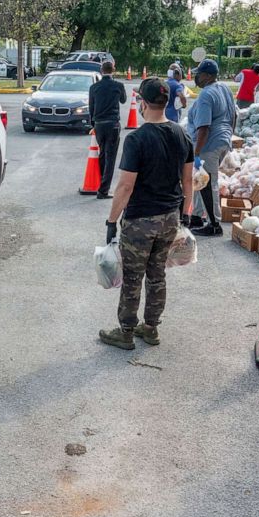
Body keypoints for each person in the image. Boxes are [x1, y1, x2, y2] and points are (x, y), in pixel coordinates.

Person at [99, 78, 194, 350]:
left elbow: (126, 186)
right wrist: (185, 213)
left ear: (142, 103)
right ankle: (151, 328)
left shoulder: (137, 139)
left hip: (140, 221)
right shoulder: (181, 134)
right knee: (157, 274)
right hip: (170, 217)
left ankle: (126, 331)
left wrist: (111, 220)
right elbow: (188, 181)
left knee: (132, 277)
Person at [186, 58, 237, 236]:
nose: (196, 77)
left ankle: (214, 224)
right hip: (222, 141)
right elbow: (234, 116)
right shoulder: (224, 88)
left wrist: (197, 152)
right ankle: (197, 217)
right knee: (200, 180)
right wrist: (229, 136)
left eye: (198, 74)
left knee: (208, 184)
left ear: (207, 76)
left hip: (208, 144)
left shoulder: (206, 95)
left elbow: (204, 127)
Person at [88, 60, 128, 199]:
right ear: (113, 70)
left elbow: (91, 108)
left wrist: (92, 125)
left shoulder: (94, 87)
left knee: (102, 154)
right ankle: (104, 190)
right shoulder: (118, 85)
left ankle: (101, 183)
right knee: (111, 156)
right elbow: (123, 100)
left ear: (101, 70)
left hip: (99, 123)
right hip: (113, 124)